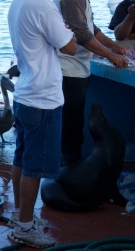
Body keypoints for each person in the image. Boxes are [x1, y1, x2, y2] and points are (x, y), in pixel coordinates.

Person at [7, 0, 77, 247]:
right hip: (43, 100)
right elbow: (70, 47)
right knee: (34, 167)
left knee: (21, 158)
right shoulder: (44, 7)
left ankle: (18, 214)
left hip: (24, 95)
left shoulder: (18, 3)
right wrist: (68, 28)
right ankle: (25, 227)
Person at [54, 0, 129, 166]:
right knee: (71, 134)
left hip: (76, 70)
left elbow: (90, 28)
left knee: (72, 129)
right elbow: (81, 33)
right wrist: (111, 56)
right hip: (68, 71)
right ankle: (68, 179)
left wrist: (113, 46)